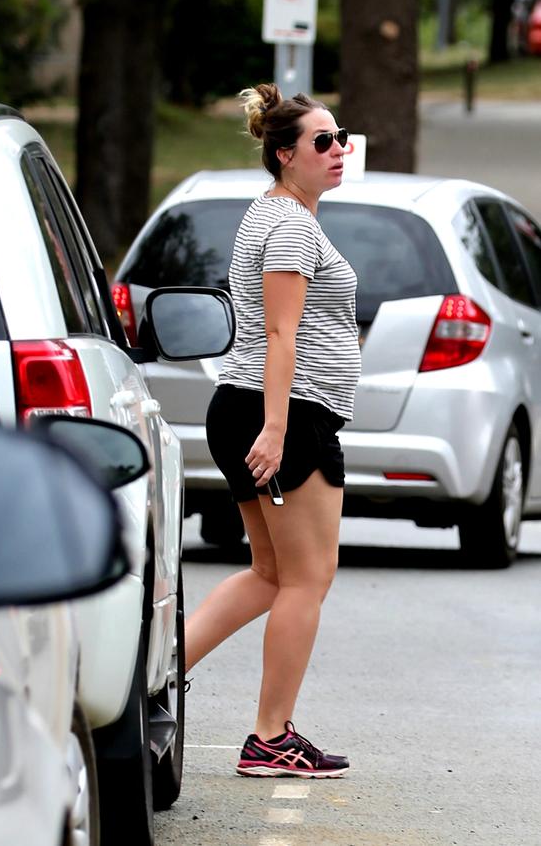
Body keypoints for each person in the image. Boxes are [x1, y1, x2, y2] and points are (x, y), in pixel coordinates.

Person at [184, 83, 362, 778]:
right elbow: (281, 335)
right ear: (286, 155)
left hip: (255, 408)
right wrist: (279, 429)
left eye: (340, 136)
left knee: (270, 572)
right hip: (283, 414)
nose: (337, 149)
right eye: (323, 142)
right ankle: (269, 737)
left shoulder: (276, 213)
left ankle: (156, 674)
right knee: (307, 578)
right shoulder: (288, 225)